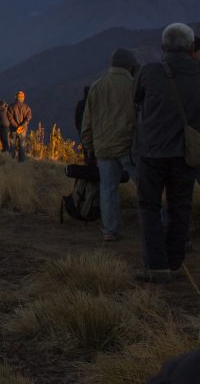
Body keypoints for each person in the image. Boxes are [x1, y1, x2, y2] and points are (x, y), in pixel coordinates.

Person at [133, 23, 200, 283]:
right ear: (192, 47)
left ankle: (157, 266)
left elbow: (136, 99)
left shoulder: (150, 72)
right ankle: (174, 264)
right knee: (180, 207)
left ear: (163, 48)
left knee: (149, 207)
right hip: (186, 153)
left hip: (152, 152)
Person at [81, 48, 139, 242]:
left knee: (108, 189)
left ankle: (110, 231)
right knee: (146, 186)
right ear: (129, 66)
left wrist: (91, 148)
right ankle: (157, 224)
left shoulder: (97, 86)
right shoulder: (134, 86)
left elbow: (87, 123)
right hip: (129, 147)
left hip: (103, 148)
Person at [7, 91, 33, 162]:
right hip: (22, 130)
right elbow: (28, 117)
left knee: (12, 145)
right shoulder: (26, 108)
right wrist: (21, 126)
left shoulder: (11, 107)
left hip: (13, 129)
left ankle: (11, 160)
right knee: (22, 146)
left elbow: (9, 117)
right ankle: (22, 161)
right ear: (23, 98)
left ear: (16, 98)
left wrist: (16, 126)